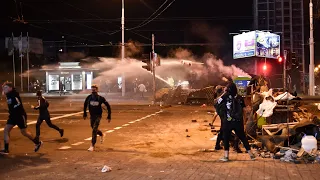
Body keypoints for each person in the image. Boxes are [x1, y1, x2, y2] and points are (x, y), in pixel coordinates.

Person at [214, 82, 255, 162]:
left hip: (227, 121)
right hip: (238, 121)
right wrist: (244, 121)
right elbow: (244, 110)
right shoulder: (239, 98)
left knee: (226, 138)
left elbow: (217, 102)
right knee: (243, 138)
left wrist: (224, 94)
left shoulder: (225, 96)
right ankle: (251, 155)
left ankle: (226, 156)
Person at [0, 81, 43, 155]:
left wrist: (12, 109)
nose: (4, 89)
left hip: (20, 116)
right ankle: (6, 149)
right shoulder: (8, 95)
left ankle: (38, 143)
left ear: (10, 88)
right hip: (13, 116)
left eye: (6, 87)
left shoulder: (14, 95)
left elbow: (18, 104)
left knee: (24, 132)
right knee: (6, 130)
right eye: (3, 88)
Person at [83, 85, 111, 152]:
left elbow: (108, 106)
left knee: (94, 129)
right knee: (93, 128)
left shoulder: (100, 98)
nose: (93, 91)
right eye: (92, 89)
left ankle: (92, 145)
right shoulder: (89, 98)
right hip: (92, 116)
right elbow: (85, 105)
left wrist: (109, 115)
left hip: (98, 116)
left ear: (97, 90)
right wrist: (84, 113)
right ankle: (101, 134)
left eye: (94, 90)